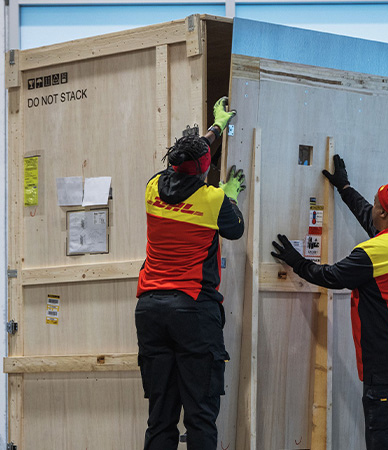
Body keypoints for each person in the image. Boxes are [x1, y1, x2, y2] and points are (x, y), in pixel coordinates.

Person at [269, 154, 388, 450]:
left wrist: (296, 260)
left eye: (376, 205)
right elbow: (371, 218)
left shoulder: (374, 252)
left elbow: (330, 276)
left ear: (384, 213)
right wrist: (345, 188)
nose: (372, 208)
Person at [135, 96, 245, 450]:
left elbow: (188, 160)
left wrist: (217, 128)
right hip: (193, 311)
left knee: (160, 417)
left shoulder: (153, 188)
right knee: (200, 416)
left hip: (151, 310)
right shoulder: (213, 201)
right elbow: (235, 229)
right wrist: (230, 195)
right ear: (204, 169)